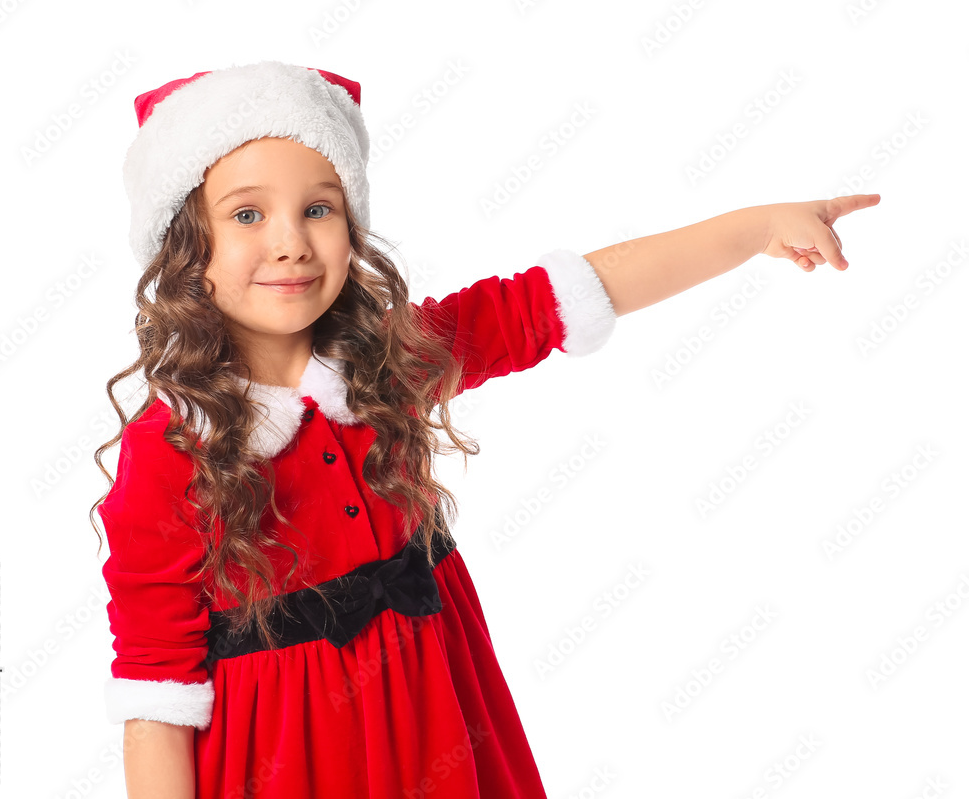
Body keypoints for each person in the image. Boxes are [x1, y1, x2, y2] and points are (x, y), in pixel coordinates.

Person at [90, 60, 880, 799]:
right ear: (187, 248)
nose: (291, 241)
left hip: (440, 715)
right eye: (248, 213)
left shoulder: (389, 362)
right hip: (292, 758)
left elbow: (566, 296)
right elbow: (157, 692)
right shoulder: (172, 451)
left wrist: (755, 228)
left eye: (319, 208)